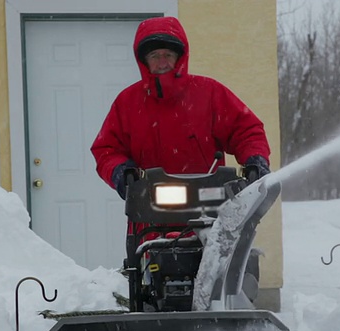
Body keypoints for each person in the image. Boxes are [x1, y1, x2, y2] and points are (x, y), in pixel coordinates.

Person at [91, 16, 271, 199]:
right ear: (144, 61)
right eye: (154, 56)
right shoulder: (127, 102)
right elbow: (107, 150)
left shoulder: (209, 93)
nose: (162, 63)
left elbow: (246, 130)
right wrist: (121, 172)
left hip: (208, 204)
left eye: (168, 55)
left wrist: (254, 159)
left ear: (179, 57)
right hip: (149, 208)